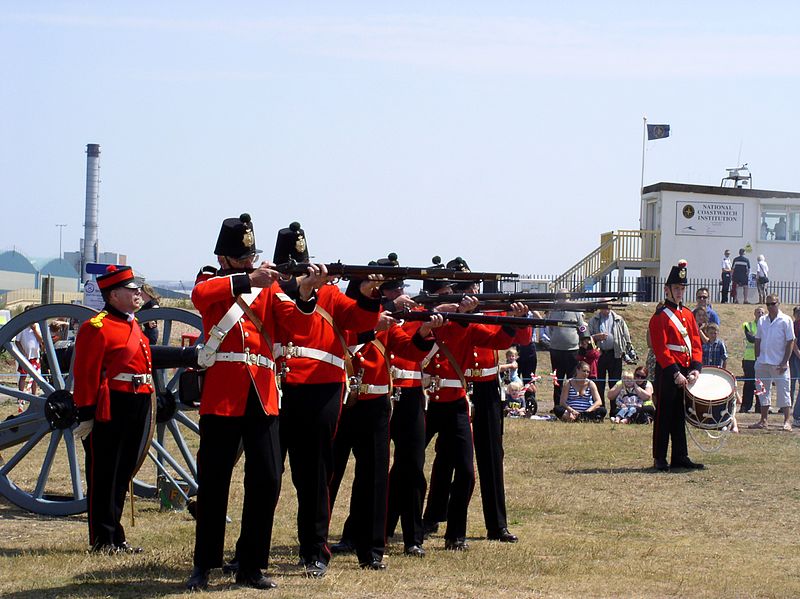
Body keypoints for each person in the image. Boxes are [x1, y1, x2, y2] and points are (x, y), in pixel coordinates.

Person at [186, 214, 321, 591]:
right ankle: (204, 563)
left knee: (266, 479)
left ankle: (252, 564)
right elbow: (202, 296)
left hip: (262, 395)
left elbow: (297, 325)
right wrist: (248, 279)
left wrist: (307, 292)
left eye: (250, 257)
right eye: (242, 258)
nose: (249, 262)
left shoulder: (269, 288)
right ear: (226, 259)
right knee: (214, 483)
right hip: (221, 396)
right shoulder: (213, 279)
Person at [271, 222, 382, 578]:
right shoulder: (268, 292)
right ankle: (250, 551)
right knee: (266, 476)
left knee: (314, 475)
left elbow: (361, 319)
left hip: (320, 389)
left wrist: (367, 292)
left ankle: (314, 549)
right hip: (273, 386)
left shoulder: (330, 295)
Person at [72, 265, 153, 554]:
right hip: (111, 405)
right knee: (104, 473)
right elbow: (85, 373)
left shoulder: (134, 325)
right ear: (114, 294)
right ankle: (102, 539)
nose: (137, 294)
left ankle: (116, 536)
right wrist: (85, 413)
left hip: (138, 399)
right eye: (131, 290)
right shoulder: (97, 327)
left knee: (123, 472)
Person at [649, 259, 704, 472]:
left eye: (682, 288)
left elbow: (696, 342)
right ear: (667, 290)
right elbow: (661, 348)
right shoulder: (660, 316)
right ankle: (660, 457)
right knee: (664, 415)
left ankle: (680, 455)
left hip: (685, 369)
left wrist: (695, 368)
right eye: (676, 288)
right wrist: (674, 373)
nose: (680, 292)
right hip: (668, 370)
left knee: (680, 414)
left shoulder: (688, 314)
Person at [749, 294, 795, 432]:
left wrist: (784, 361)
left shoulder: (786, 320)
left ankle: (787, 421)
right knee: (762, 391)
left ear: (778, 303)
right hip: (763, 362)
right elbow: (758, 339)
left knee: (784, 391)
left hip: (779, 363)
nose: (770, 307)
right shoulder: (762, 320)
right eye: (767, 304)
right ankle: (763, 420)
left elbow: (790, 341)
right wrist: (758, 358)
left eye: (772, 304)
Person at [588, 302, 633, 413]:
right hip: (599, 355)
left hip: (615, 354)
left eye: (609, 305)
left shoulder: (618, 319)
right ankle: (600, 409)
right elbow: (587, 338)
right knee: (599, 383)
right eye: (604, 306)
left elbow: (626, 336)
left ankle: (615, 409)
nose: (607, 308)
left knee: (615, 383)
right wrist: (596, 337)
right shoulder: (594, 320)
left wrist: (628, 351)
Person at [548, 290, 586, 407]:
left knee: (572, 379)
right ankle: (557, 405)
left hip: (572, 351)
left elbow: (582, 327)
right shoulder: (553, 311)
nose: (563, 299)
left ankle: (571, 404)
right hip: (556, 350)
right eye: (560, 297)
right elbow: (550, 329)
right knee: (557, 380)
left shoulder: (576, 311)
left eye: (565, 297)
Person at [14, 305, 43, 408]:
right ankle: (20, 396)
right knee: (23, 377)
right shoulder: (22, 328)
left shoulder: (38, 326)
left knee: (35, 378)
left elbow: (41, 341)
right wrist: (22, 353)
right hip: (25, 356)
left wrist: (34, 330)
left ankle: (34, 396)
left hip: (35, 356)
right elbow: (17, 342)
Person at [741, 307, 765, 413]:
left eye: (762, 312)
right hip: (749, 359)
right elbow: (750, 339)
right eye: (758, 312)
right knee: (749, 384)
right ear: (754, 314)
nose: (760, 314)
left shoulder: (767, 327)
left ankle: (760, 407)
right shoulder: (748, 325)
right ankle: (745, 406)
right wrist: (761, 338)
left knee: (760, 384)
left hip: (762, 358)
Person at [790, 307, 800, 427]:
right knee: (791, 384)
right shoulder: (795, 325)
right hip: (795, 359)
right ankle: (797, 416)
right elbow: (793, 342)